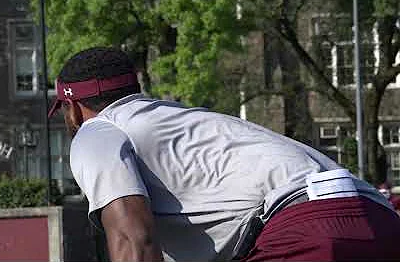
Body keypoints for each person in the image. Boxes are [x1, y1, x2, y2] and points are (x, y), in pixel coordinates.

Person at [48, 47, 400, 261]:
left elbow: (133, 239)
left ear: (73, 108)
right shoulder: (190, 120)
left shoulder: (96, 132)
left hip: (304, 230)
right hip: (380, 221)